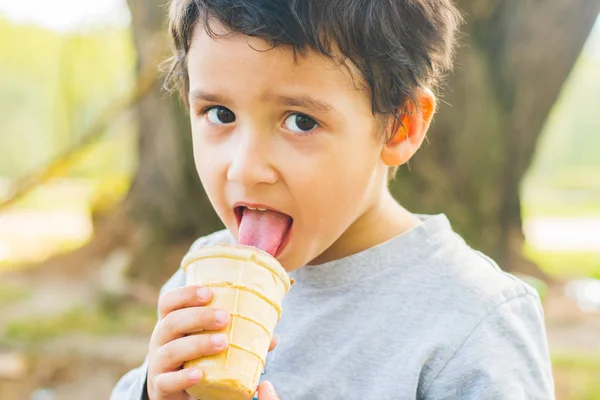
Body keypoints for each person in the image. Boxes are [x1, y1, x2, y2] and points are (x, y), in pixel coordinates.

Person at [111, 0, 555, 399]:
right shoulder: (202, 274)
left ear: (400, 126)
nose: (244, 168)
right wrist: (153, 389)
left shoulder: (474, 319)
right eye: (220, 114)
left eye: (300, 121)